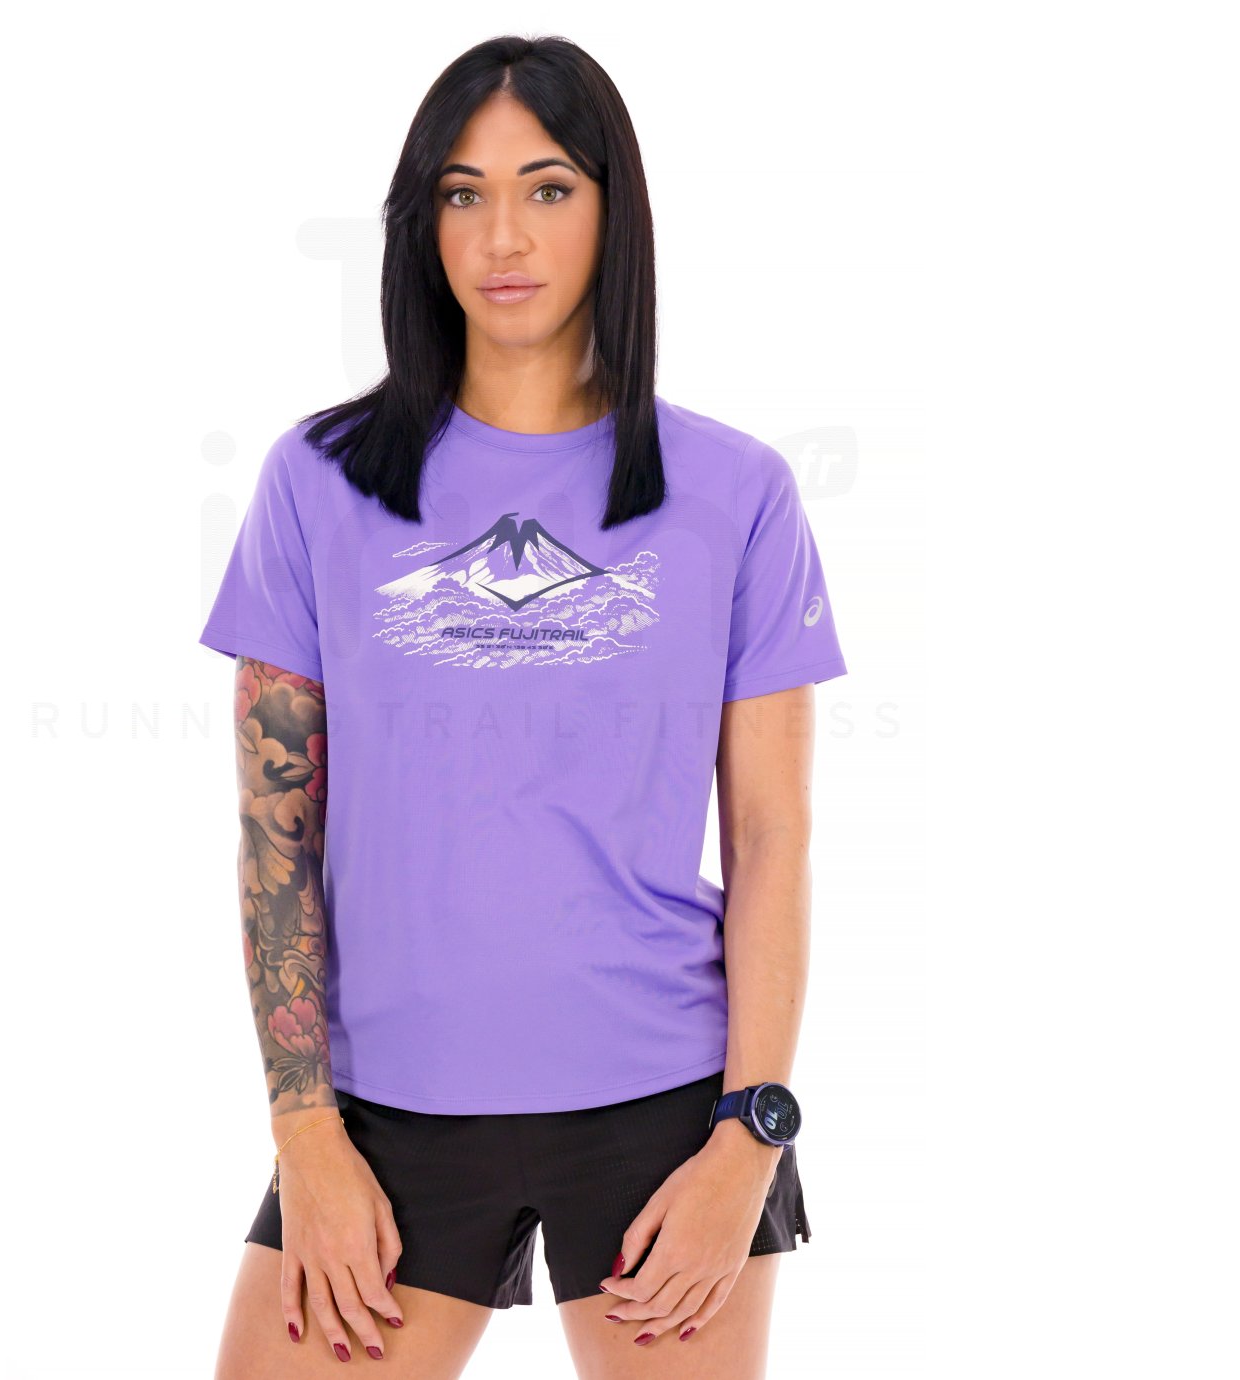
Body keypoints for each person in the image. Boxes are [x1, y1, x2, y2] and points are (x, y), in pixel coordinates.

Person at [202, 35, 848, 1378]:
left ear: (614, 211)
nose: (502, 235)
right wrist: (305, 1138)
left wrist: (747, 1140)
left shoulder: (735, 493)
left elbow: (771, 836)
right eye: (463, 192)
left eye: (548, 188)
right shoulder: (317, 481)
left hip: (665, 1109)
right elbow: (276, 839)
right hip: (383, 1112)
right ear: (420, 223)